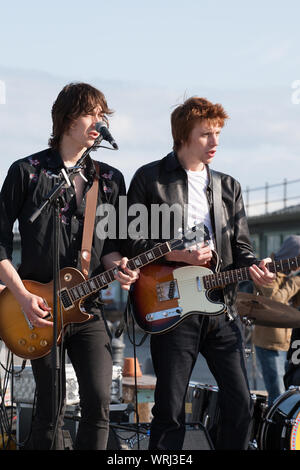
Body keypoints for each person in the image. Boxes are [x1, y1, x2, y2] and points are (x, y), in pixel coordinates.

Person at [125, 96, 274, 450]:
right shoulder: (150, 178)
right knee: (170, 409)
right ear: (183, 136)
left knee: (240, 403)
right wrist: (177, 252)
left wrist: (254, 268)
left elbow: (242, 250)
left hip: (220, 308)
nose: (215, 142)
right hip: (172, 306)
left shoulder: (229, 186)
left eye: (218, 133)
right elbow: (129, 243)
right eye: (206, 134)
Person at [0, 82, 138, 450]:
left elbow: (110, 247)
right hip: (37, 309)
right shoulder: (27, 172)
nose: (99, 121)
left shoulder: (109, 180)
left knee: (99, 403)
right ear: (66, 119)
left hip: (86, 307)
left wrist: (121, 266)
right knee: (50, 409)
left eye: (103, 115)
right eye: (92, 113)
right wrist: (22, 296)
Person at [252, 236, 300, 405]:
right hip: (270, 344)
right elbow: (275, 301)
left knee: (291, 392)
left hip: (289, 343)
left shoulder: (290, 274)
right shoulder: (268, 269)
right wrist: (296, 281)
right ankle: (273, 430)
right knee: (278, 394)